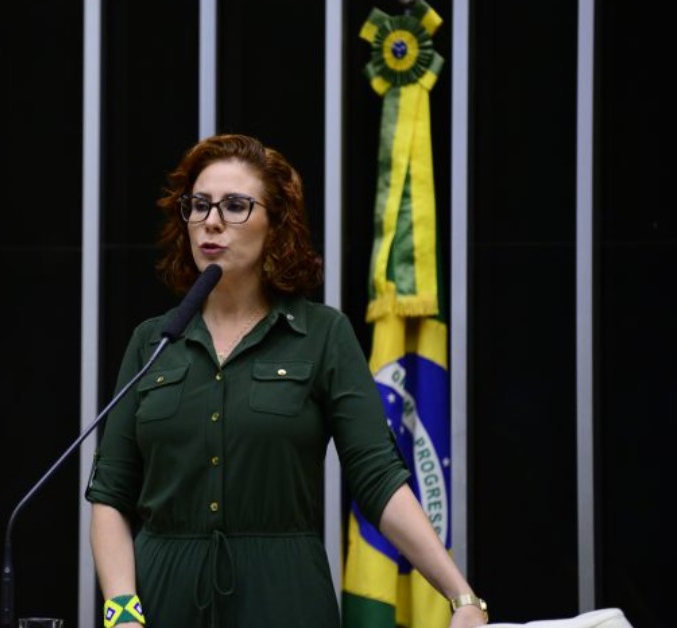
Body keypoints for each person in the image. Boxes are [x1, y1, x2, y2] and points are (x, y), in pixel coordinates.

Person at [85, 134, 487, 628]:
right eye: (199, 205)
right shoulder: (153, 341)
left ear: (276, 225)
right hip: (162, 600)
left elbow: (378, 478)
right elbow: (110, 493)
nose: (212, 221)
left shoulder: (322, 334)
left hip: (284, 598)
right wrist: (121, 608)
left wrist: (461, 596)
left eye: (235, 206)